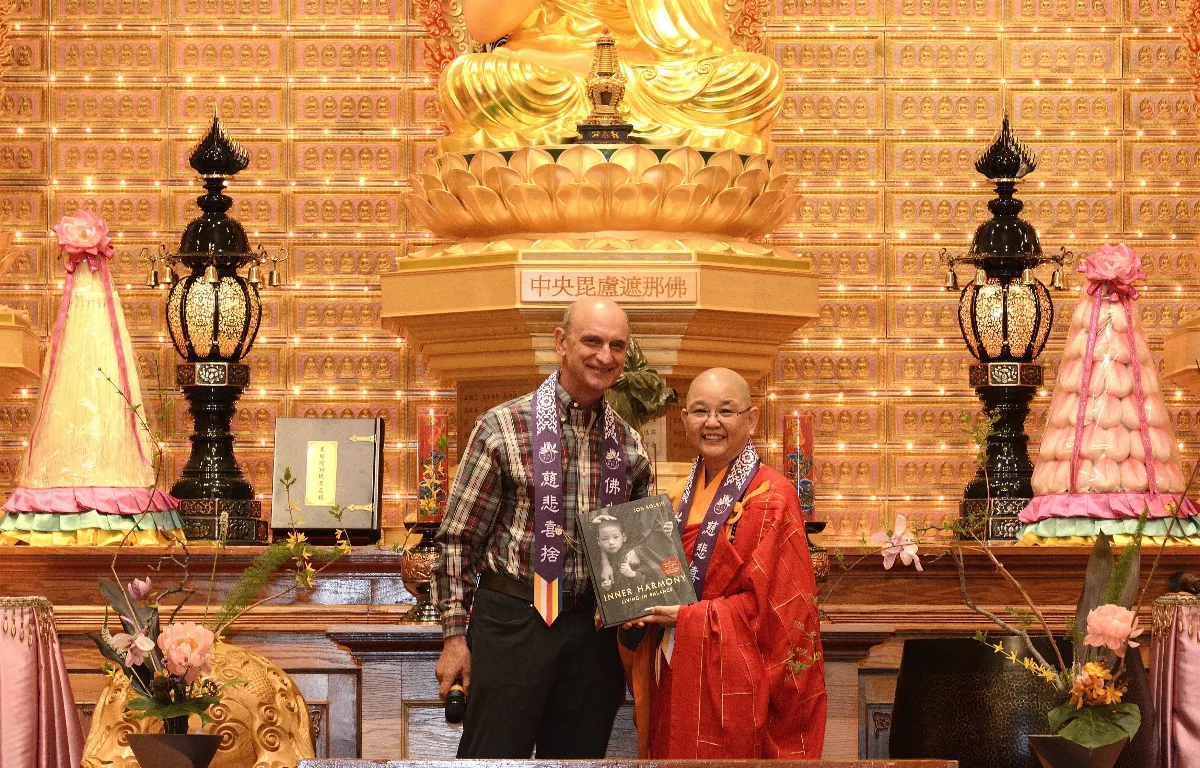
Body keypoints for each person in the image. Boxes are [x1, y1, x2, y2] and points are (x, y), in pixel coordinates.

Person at [431, 297, 653, 758]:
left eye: (617, 345)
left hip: (593, 632)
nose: (604, 356)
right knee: (493, 759)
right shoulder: (503, 427)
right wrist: (454, 637)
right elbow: (457, 540)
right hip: (514, 620)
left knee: (578, 761)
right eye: (591, 341)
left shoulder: (629, 447)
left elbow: (637, 554)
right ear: (561, 343)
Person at [623, 367, 826, 758]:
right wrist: (629, 606)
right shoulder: (674, 497)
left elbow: (780, 613)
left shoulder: (773, 496)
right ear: (683, 420)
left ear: (751, 420)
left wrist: (689, 618)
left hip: (735, 679)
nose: (711, 423)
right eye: (700, 411)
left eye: (726, 411)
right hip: (673, 664)